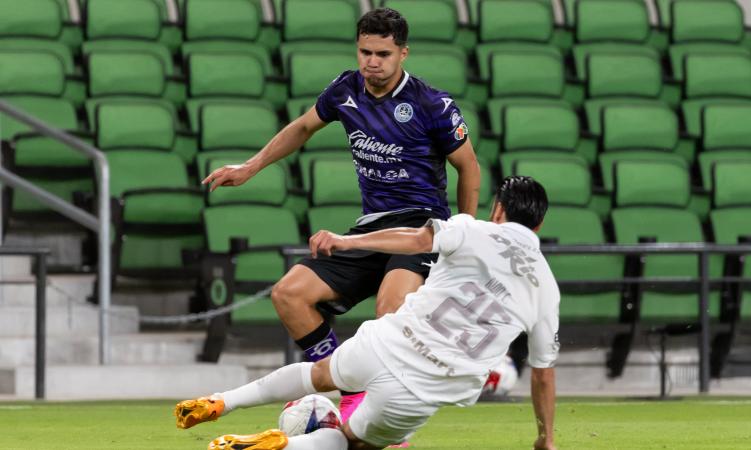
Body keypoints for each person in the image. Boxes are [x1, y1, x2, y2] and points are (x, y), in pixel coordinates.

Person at [201, 7, 480, 423]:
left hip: (420, 228)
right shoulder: (345, 90)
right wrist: (249, 167)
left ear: (403, 53)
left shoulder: (431, 104)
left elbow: (469, 167)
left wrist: (462, 233)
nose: (371, 61)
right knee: (289, 294)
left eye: (382, 54)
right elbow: (302, 128)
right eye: (365, 51)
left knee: (390, 310)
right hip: (369, 230)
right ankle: (351, 389)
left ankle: (386, 414)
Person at [175, 176, 560, 450]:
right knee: (350, 442)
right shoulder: (547, 289)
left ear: (498, 211)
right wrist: (546, 438)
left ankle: (223, 401)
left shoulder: (470, 228)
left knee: (318, 374)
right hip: (423, 386)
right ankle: (281, 446)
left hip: (387, 341)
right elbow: (543, 376)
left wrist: (347, 240)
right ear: (539, 224)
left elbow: (416, 238)